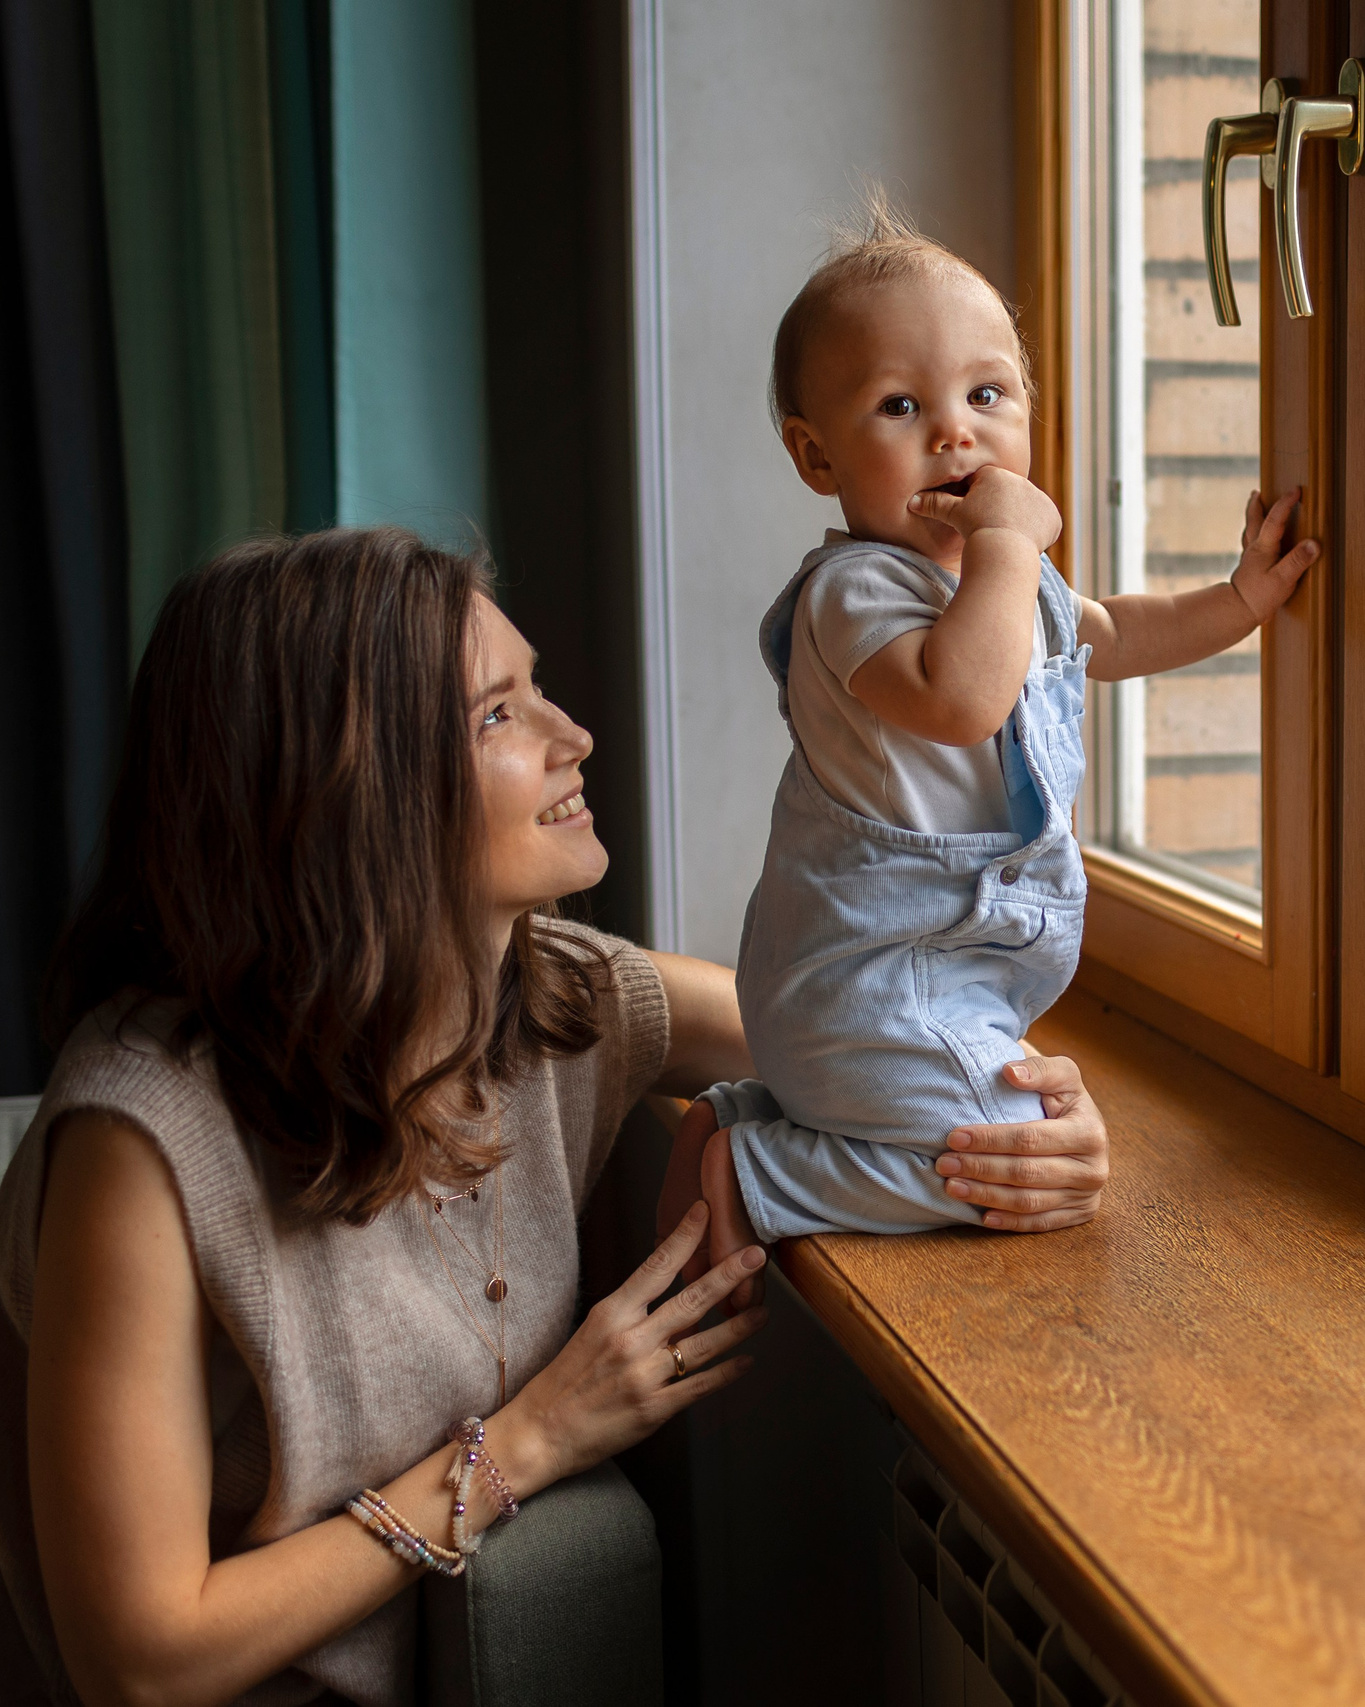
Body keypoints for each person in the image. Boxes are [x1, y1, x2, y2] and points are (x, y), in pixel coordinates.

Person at [0, 527, 1110, 1707]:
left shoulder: (562, 1000)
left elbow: (854, 1037)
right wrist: (534, 1439)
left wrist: (1023, 1116)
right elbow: (139, 1661)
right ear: (340, 789)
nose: (572, 736)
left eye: (536, 690)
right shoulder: (145, 1142)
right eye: (497, 716)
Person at [684, 192, 1316, 1294]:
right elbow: (963, 694)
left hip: (948, 986)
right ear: (816, 457)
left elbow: (1108, 632)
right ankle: (755, 1172)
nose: (954, 432)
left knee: (1028, 1138)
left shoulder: (1005, 577)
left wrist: (1237, 600)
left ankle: (760, 1114)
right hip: (872, 986)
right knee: (1018, 1164)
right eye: (899, 406)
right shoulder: (853, 595)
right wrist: (1011, 543)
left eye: (986, 394)